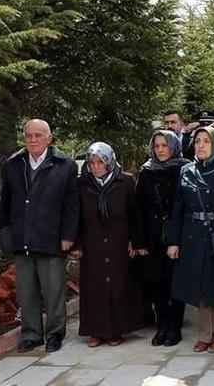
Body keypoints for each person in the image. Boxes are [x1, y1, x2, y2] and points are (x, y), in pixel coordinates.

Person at [0, 119, 79, 353]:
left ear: (49, 138)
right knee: (26, 291)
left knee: (54, 291)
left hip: (51, 239)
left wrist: (68, 236)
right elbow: (5, 204)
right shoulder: (13, 165)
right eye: (28, 135)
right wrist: (6, 232)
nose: (32, 140)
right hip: (22, 239)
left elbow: (71, 206)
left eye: (38, 135)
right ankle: (32, 334)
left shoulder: (65, 166)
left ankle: (55, 334)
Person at [167, 126, 214, 354]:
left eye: (206, 141)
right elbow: (177, 208)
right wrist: (173, 241)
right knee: (200, 286)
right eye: (197, 141)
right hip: (193, 235)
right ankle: (205, 334)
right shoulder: (186, 170)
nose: (200, 145)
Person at [72, 142, 145, 347]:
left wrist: (135, 240)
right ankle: (95, 330)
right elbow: (74, 215)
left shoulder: (126, 181)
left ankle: (116, 330)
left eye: (100, 162)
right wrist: (76, 243)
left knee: (118, 285)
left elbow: (135, 214)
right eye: (92, 162)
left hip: (119, 241)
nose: (96, 167)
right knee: (94, 286)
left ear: (109, 161)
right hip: (92, 242)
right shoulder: (82, 184)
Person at [135, 130, 189, 347]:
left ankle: (175, 328)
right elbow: (138, 208)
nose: (160, 150)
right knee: (157, 283)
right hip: (153, 235)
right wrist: (139, 241)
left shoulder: (185, 168)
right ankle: (162, 326)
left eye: (164, 145)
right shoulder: (147, 171)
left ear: (173, 146)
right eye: (157, 146)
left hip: (177, 234)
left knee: (175, 283)